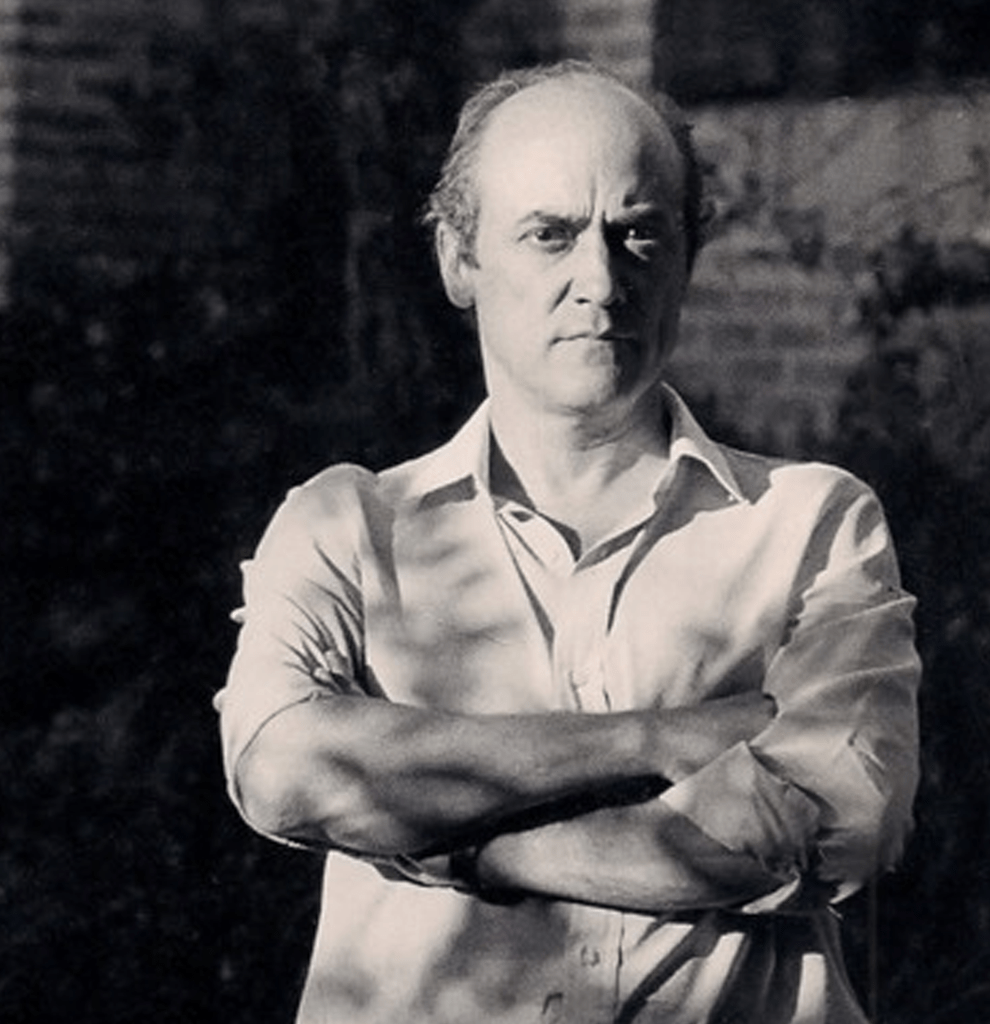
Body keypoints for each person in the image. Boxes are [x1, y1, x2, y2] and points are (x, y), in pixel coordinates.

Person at [216, 61, 921, 1024]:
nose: (600, 281)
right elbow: (283, 773)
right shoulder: (346, 527)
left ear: (688, 258)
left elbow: (831, 820)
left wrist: (467, 848)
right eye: (550, 234)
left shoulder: (811, 523)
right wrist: (652, 740)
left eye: (638, 233)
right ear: (459, 260)